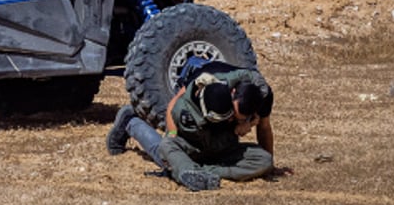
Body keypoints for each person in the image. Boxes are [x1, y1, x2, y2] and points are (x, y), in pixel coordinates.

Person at [106, 62, 279, 191]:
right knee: (165, 149)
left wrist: (269, 168)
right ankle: (131, 122)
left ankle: (197, 171)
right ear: (232, 94)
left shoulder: (260, 96)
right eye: (231, 114)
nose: (231, 118)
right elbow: (174, 105)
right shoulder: (201, 89)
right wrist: (171, 133)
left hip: (221, 148)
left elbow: (264, 127)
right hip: (192, 144)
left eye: (238, 117)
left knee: (263, 159)